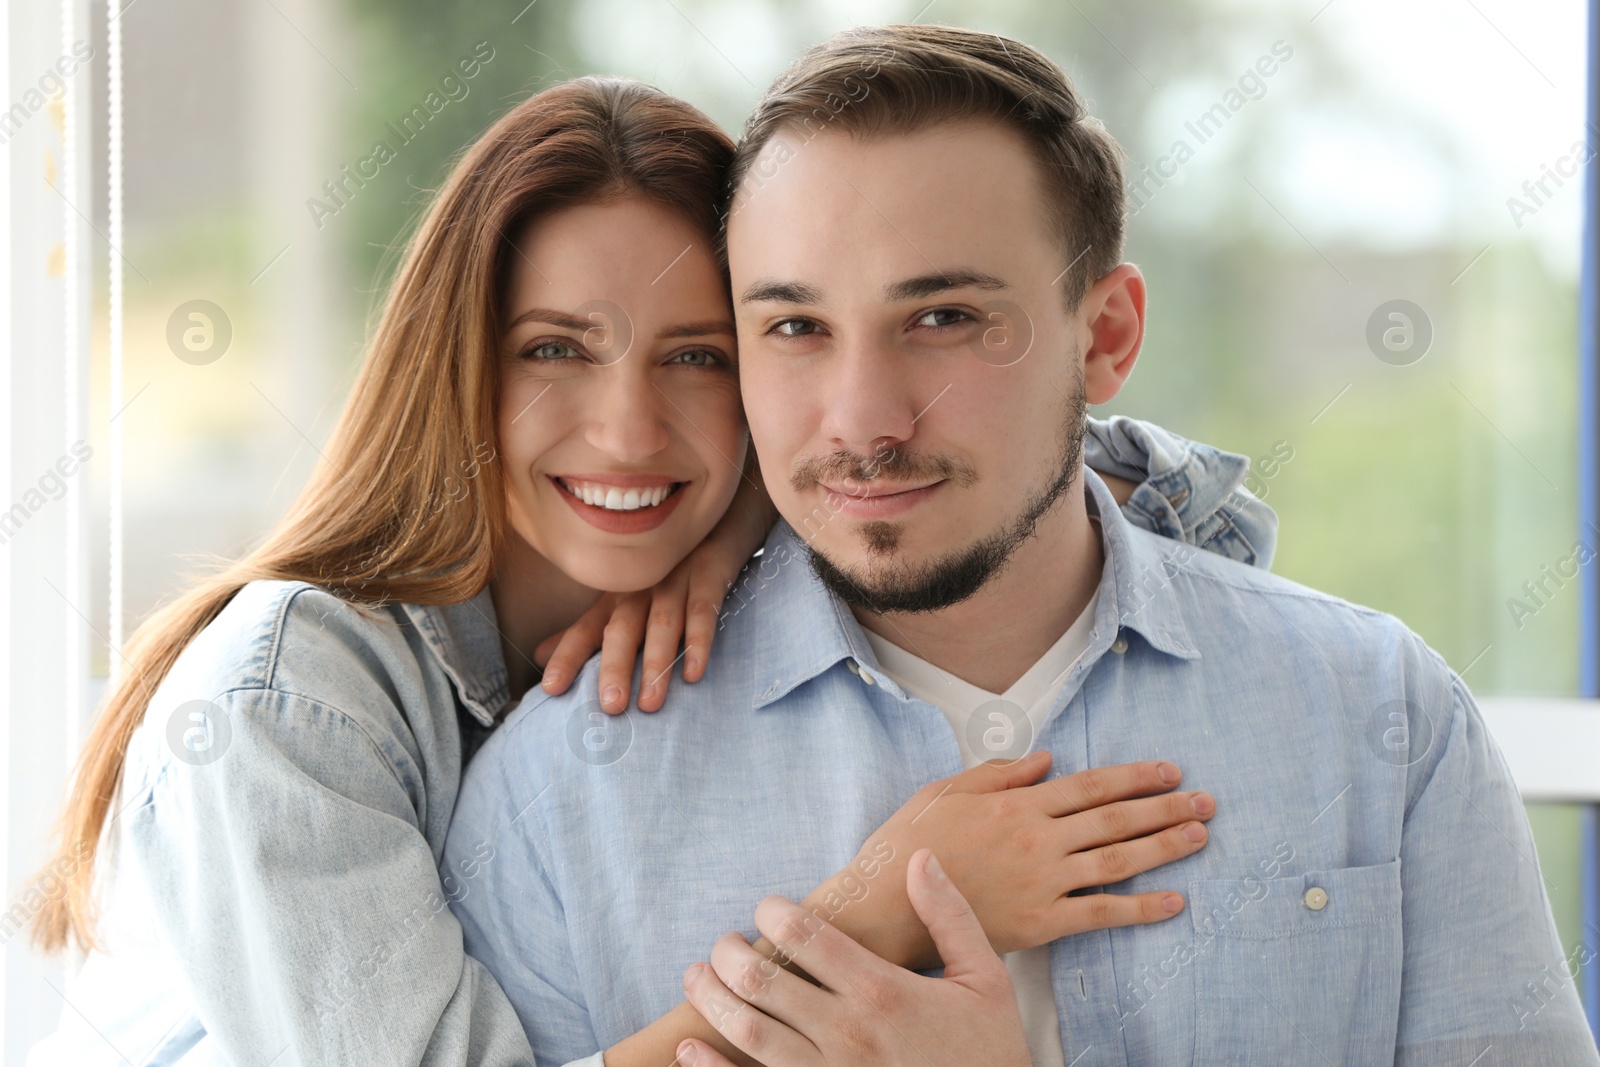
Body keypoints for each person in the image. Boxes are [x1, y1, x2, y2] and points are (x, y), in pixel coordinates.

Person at [23, 74, 1267, 1066]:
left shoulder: (745, 581)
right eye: (554, 349)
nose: (627, 431)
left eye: (697, 357)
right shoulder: (284, 701)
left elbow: (1202, 536)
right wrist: (889, 899)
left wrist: (766, 525)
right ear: (454, 365)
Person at [445, 23, 1600, 1067]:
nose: (862, 418)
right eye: (795, 326)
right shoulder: (557, 794)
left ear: (1104, 338)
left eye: (943, 318)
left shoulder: (1382, 721)